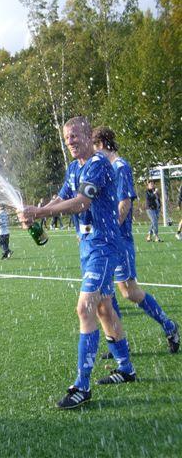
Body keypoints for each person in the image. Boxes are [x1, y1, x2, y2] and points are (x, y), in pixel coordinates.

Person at [18, 116, 136, 410]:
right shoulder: (74, 168)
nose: (70, 141)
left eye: (74, 136)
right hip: (89, 248)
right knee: (104, 307)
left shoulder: (98, 165)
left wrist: (41, 213)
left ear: (87, 135)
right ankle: (126, 369)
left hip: (105, 246)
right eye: (66, 137)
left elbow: (81, 202)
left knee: (85, 308)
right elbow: (61, 197)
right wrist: (34, 213)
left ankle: (81, 386)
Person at [92, 126, 179, 356]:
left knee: (129, 292)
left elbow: (125, 204)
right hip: (107, 241)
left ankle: (170, 327)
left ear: (100, 145)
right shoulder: (108, 167)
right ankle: (118, 342)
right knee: (105, 292)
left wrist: (110, 229)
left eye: (94, 148)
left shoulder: (120, 167)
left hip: (119, 240)